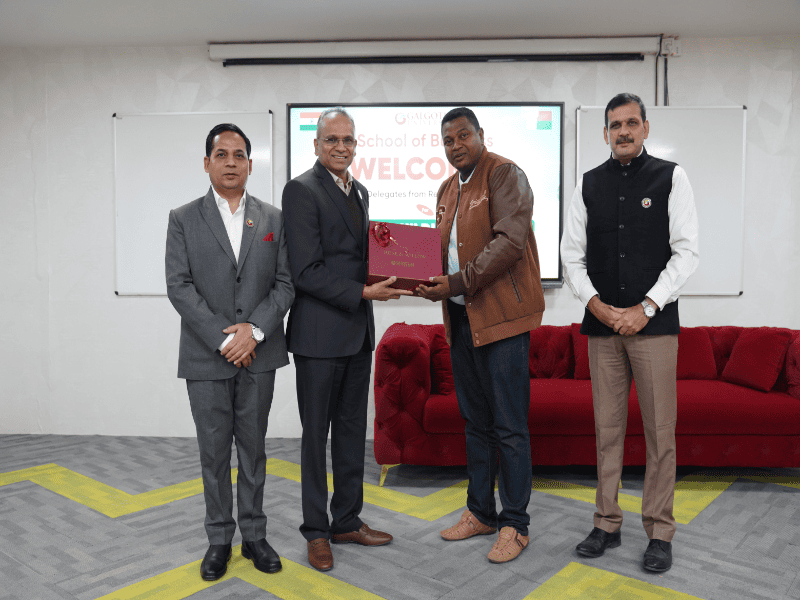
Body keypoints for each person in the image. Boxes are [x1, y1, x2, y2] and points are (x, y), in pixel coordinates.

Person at [561, 93, 699, 573]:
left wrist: (646, 307)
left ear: (645, 128)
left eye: (631, 123)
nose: (623, 131)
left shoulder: (671, 177)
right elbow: (571, 256)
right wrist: (596, 305)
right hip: (602, 328)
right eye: (615, 124)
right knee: (607, 430)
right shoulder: (588, 184)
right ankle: (606, 523)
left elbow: (686, 252)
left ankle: (659, 532)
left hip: (654, 327)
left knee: (660, 433)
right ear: (605, 133)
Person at [282, 107, 411, 572]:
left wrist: (403, 273)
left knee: (353, 434)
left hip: (357, 334)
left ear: (356, 145)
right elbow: (306, 270)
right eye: (332, 139)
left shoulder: (360, 191)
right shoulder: (301, 190)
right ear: (316, 144)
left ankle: (347, 521)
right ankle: (316, 532)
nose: (341, 147)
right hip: (318, 337)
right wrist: (363, 292)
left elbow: (359, 259)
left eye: (348, 140)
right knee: (315, 438)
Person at [165, 123, 294, 581]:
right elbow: (179, 286)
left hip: (260, 354)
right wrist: (226, 339)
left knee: (254, 449)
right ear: (207, 163)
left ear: (250, 164)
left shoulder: (274, 219)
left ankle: (255, 535)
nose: (231, 162)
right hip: (206, 357)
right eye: (222, 154)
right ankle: (219, 539)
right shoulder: (183, 218)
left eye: (239, 155)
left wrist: (253, 332)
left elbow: (285, 284)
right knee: (214, 453)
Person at [416, 107, 545, 564]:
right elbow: (439, 253)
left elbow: (509, 244)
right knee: (476, 424)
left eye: (463, 136)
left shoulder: (505, 173)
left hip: (502, 320)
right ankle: (480, 513)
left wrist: (454, 282)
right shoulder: (446, 189)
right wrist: (412, 274)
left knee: (509, 426)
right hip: (463, 321)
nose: (456, 146)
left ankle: (515, 524)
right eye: (448, 140)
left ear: (480, 135)